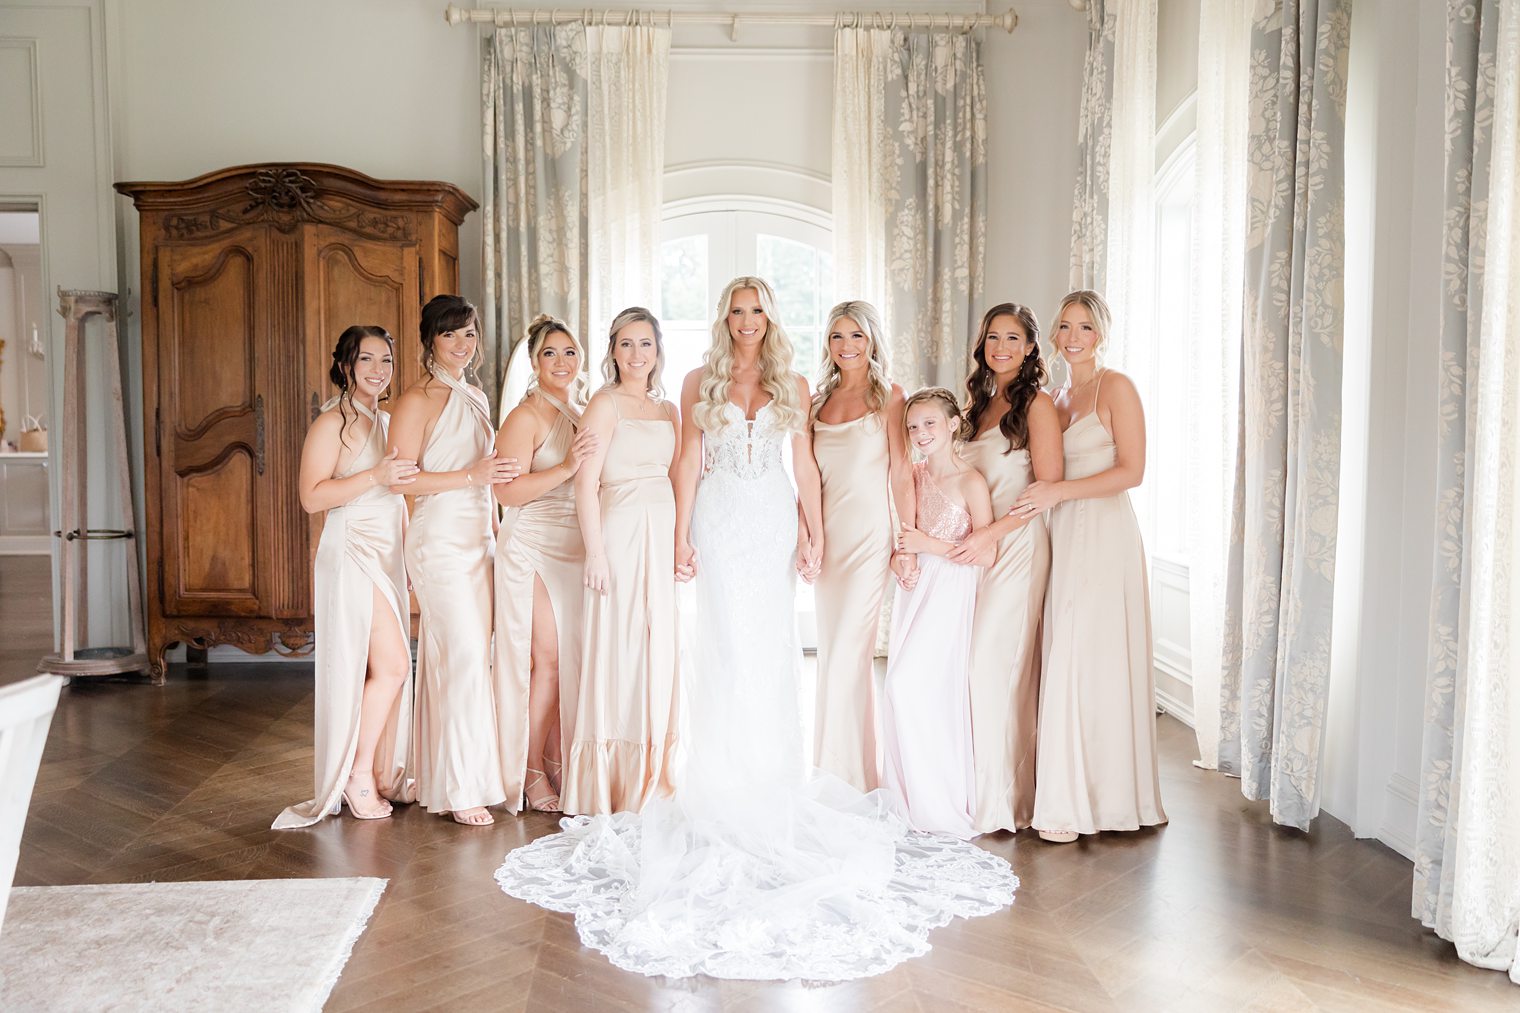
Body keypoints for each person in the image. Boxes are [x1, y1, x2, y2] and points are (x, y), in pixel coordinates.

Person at [496, 280, 1017, 983]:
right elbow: (689, 461)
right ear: (724, 318)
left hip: (769, 520)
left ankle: (770, 780)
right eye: (736, 310)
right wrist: (680, 534)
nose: (746, 321)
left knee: (769, 653)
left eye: (756, 310)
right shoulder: (694, 379)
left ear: (769, 317)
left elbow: (801, 463)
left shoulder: (793, 379)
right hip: (716, 520)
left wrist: (813, 532)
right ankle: (717, 780)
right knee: (724, 652)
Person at [1014, 289, 1167, 842]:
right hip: (1064, 535)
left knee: (1095, 652)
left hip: (1104, 534)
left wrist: (1060, 492)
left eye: (1085, 327)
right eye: (1065, 327)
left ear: (1101, 334)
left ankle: (1109, 796)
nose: (1073, 337)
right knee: (1067, 652)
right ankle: (1067, 791)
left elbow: (1132, 471)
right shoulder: (1055, 399)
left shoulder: (1115, 387)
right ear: (1054, 336)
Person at [274, 326, 417, 828]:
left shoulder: (388, 421)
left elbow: (399, 496)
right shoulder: (330, 424)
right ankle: (356, 774)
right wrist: (374, 476)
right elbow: (312, 497)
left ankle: (373, 767)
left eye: (386, 361)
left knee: (388, 666)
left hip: (387, 551)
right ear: (345, 367)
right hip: (351, 548)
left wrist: (409, 558)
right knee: (394, 666)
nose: (378, 370)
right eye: (367, 360)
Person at [388, 295, 517, 826]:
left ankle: (432, 771)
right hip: (438, 539)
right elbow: (400, 477)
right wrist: (471, 478)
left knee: (459, 655)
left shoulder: (475, 395)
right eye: (450, 335)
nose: (462, 345)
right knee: (463, 654)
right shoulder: (416, 400)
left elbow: (488, 476)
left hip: (477, 539)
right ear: (429, 340)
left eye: (469, 334)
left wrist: (497, 530)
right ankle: (463, 786)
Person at [559, 307, 681, 816]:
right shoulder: (603, 406)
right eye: (626, 344)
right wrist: (597, 553)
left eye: (645, 344)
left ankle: (655, 771)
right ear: (612, 351)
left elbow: (675, 479)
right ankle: (611, 778)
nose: (636, 354)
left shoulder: (669, 409)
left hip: (661, 530)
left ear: (657, 351)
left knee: (656, 646)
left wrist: (681, 542)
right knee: (621, 645)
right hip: (620, 530)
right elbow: (585, 483)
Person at [950, 303, 1061, 834]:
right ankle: (972, 789)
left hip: (1014, 548)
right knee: (969, 670)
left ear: (1031, 347)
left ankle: (1004, 801)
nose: (1001, 347)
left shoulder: (1036, 405)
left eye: (1013, 338)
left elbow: (1045, 491)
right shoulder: (976, 402)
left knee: (992, 668)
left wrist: (989, 537)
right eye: (993, 337)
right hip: (976, 553)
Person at [491, 314, 598, 813]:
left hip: (574, 548)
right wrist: (565, 467)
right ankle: (528, 769)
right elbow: (505, 493)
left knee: (568, 663)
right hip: (532, 545)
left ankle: (555, 758)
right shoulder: (525, 417)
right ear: (533, 362)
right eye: (550, 353)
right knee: (547, 663)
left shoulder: (583, 410)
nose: (561, 362)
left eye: (570, 352)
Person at [879, 389, 994, 838]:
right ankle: (906, 799)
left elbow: (986, 554)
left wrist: (930, 547)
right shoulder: (914, 476)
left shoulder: (971, 482)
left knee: (914, 687)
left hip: (950, 595)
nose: (920, 433)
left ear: (951, 424)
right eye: (912, 426)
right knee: (898, 687)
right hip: (917, 591)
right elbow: (903, 541)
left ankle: (937, 802)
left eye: (929, 423)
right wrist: (900, 561)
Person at [809, 300, 911, 792]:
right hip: (828, 539)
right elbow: (807, 477)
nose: (846, 346)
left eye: (856, 336)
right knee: (833, 652)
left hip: (870, 537)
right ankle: (839, 769)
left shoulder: (890, 397)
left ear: (872, 341)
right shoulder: (816, 401)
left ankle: (843, 778)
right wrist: (809, 533)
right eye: (837, 337)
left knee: (852, 650)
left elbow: (902, 473)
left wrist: (906, 540)